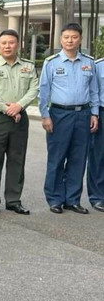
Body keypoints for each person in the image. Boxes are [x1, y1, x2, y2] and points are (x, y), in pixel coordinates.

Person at [38, 22, 100, 214]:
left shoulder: (89, 63)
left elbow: (94, 90)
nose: (70, 40)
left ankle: (72, 199)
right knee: (57, 158)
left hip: (83, 114)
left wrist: (95, 113)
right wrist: (45, 115)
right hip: (59, 114)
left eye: (74, 37)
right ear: (61, 39)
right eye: (66, 37)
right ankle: (55, 199)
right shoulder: (52, 62)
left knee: (78, 158)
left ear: (80, 39)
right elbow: (43, 92)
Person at [0, 29, 39, 216]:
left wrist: (18, 106)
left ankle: (13, 200)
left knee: (16, 160)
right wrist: (8, 109)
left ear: (18, 45)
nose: (7, 46)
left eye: (11, 42)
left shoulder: (28, 67)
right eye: (3, 43)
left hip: (20, 119)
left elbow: (33, 89)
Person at [87, 56, 104, 212]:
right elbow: (93, 92)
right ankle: (97, 197)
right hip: (102, 113)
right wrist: (95, 114)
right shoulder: (98, 66)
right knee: (98, 156)